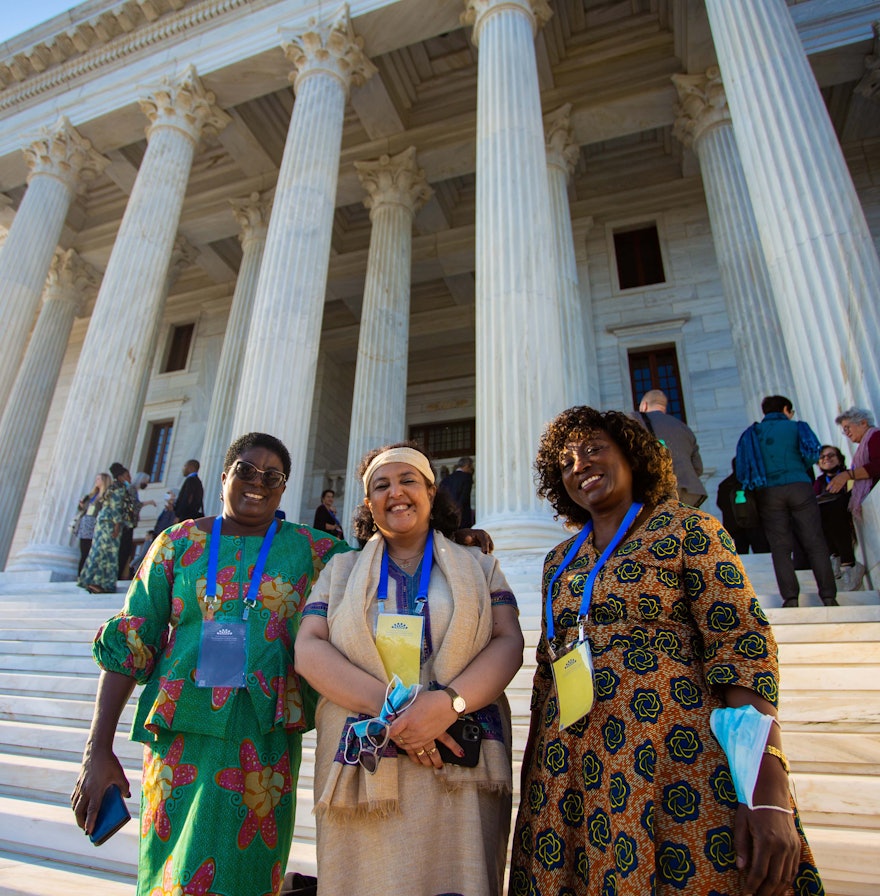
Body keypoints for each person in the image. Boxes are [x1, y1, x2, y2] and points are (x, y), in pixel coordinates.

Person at [509, 406, 822, 896]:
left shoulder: (689, 530)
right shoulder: (559, 560)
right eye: (566, 462)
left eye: (594, 449)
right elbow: (548, 675)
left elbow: (743, 649)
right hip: (572, 771)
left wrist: (768, 790)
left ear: (632, 457)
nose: (580, 465)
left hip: (676, 761)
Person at [71, 433, 351, 896]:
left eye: (272, 476)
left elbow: (387, 563)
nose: (257, 482)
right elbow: (130, 640)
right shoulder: (176, 543)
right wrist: (96, 749)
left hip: (263, 747)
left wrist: (451, 542)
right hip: (181, 739)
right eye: (245, 469)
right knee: (175, 874)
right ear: (224, 478)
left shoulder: (314, 552)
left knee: (250, 873)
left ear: (283, 489)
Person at [295, 442, 523, 896]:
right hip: (364, 762)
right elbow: (308, 648)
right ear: (368, 503)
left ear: (432, 493)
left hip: (458, 761)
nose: (396, 492)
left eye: (408, 481)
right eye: (382, 485)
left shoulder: (479, 565)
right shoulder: (340, 570)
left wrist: (448, 703)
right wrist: (396, 710)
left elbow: (509, 642)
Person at [736, 395, 837, 608]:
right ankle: (828, 596)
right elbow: (812, 454)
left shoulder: (752, 434)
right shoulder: (798, 427)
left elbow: (743, 467)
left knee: (780, 547)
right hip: (799, 485)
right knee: (815, 542)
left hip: (769, 492)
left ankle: (790, 598)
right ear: (785, 409)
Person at [632, 388, 707, 507]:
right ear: (664, 407)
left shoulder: (635, 419)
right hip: (689, 493)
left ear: (644, 406)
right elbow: (698, 468)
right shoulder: (684, 428)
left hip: (657, 491)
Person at [813, 445, 863, 591]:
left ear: (839, 459)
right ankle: (834, 556)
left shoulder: (849, 474)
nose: (826, 459)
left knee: (833, 511)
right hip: (828, 519)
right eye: (822, 457)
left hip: (845, 513)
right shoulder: (819, 482)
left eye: (831, 455)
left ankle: (848, 564)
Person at [77, 463, 131, 594]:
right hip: (110, 524)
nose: (129, 477)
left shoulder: (110, 488)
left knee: (97, 551)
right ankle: (100, 583)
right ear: (122, 476)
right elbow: (116, 507)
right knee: (107, 554)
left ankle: (90, 580)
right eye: (127, 475)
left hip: (102, 523)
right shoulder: (119, 488)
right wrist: (117, 525)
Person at [827, 406, 880, 520]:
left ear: (863, 423)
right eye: (844, 430)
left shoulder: (876, 436)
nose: (846, 433)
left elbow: (878, 465)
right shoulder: (863, 447)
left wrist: (848, 475)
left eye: (847, 428)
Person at [716, 458, 769, 555]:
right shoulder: (753, 483)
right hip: (755, 524)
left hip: (735, 527)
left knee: (740, 556)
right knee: (762, 553)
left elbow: (720, 504)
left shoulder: (724, 485)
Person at [118, 471, 156, 580]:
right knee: (124, 550)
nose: (146, 484)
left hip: (129, 524)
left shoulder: (132, 490)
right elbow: (135, 505)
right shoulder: (131, 490)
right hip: (127, 525)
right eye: (146, 481)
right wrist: (149, 502)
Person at [72, 473, 112, 574]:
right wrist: (81, 505)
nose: (96, 481)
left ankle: (89, 574)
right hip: (85, 524)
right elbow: (83, 509)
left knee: (92, 551)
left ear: (104, 481)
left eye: (98, 479)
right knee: (84, 551)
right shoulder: (91, 495)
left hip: (96, 525)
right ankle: (80, 575)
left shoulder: (106, 495)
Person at [438, 455, 475, 525]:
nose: (472, 470)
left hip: (446, 517)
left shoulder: (445, 480)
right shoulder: (467, 477)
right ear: (467, 466)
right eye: (471, 467)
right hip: (462, 517)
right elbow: (464, 497)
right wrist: (457, 511)